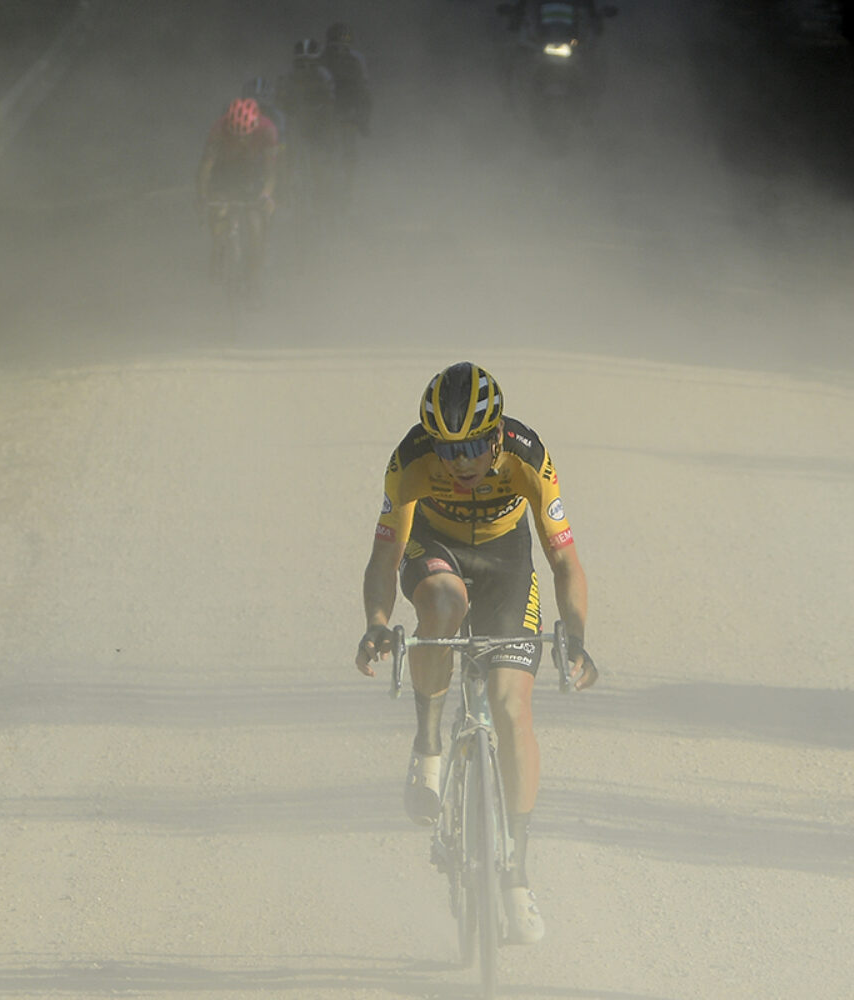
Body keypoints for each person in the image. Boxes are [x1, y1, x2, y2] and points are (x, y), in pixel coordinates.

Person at [354, 361, 598, 945]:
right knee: (443, 604)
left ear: (495, 436)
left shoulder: (528, 455)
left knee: (513, 707)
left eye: (471, 447)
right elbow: (385, 557)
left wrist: (577, 637)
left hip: (507, 562)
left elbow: (563, 560)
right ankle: (429, 745)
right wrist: (378, 622)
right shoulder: (410, 460)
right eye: (447, 448)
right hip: (435, 550)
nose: (459, 462)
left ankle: (515, 873)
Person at [196, 96, 279, 289]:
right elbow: (205, 169)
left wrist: (266, 195)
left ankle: (254, 282)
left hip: (252, 173)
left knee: (255, 226)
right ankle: (218, 248)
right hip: (224, 172)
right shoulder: (218, 130)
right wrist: (202, 196)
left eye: (246, 136)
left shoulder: (268, 130)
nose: (241, 140)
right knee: (219, 211)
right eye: (235, 136)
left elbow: (271, 172)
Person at [276, 38, 336, 222]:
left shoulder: (324, 76)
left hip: (318, 122)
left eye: (310, 63)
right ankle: (285, 197)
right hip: (296, 120)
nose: (305, 68)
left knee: (318, 161)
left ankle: (321, 198)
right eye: (301, 63)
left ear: (317, 62)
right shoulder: (288, 77)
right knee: (287, 158)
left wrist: (326, 122)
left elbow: (331, 103)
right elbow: (279, 101)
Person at [320, 22, 372, 202]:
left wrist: (364, 119)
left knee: (349, 151)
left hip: (348, 111)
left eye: (343, 48)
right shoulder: (321, 59)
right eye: (336, 48)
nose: (339, 52)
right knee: (321, 149)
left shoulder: (356, 61)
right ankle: (321, 183)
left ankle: (348, 188)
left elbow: (364, 92)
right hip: (326, 111)